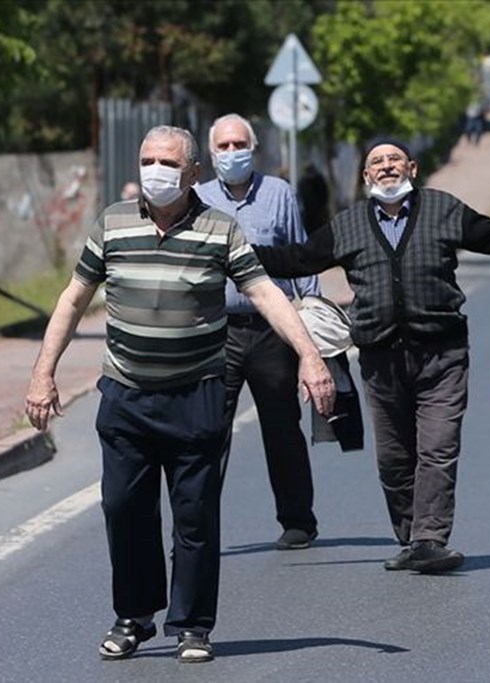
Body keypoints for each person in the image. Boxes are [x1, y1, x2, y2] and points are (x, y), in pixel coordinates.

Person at [24, 125, 334, 662]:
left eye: (167, 163)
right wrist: (42, 372)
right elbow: (74, 299)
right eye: (147, 160)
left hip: (196, 395)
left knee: (194, 514)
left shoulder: (220, 228)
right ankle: (134, 616)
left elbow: (264, 293)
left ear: (193, 173)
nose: (155, 171)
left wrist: (309, 354)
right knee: (124, 508)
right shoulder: (113, 223)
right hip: (125, 394)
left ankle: (192, 624)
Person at [252, 137, 490, 574]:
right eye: (376, 161)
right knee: (394, 459)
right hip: (381, 361)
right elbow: (296, 259)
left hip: (442, 354)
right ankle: (409, 537)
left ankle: (430, 538)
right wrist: (231, 251)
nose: (386, 166)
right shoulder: (348, 224)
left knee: (437, 449)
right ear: (365, 176)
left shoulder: (443, 209)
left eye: (394, 159)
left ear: (412, 168)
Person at [196, 113, 322, 551]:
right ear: (211, 155)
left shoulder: (279, 193)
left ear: (254, 148)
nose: (232, 153)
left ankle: (298, 520)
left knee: (283, 427)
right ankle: (198, 526)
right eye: (224, 147)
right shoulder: (196, 198)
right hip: (217, 333)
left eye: (239, 145)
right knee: (208, 432)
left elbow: (300, 255)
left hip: (271, 331)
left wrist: (312, 329)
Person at [298, 162, 332, 235]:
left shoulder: (317, 181)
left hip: (315, 214)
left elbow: (324, 195)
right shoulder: (303, 182)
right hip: (310, 215)